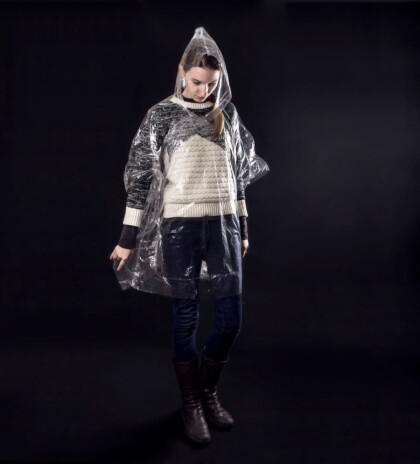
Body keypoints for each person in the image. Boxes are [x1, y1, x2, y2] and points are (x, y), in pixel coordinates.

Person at [109, 27, 269, 444]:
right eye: (197, 82)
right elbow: (141, 178)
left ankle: (208, 391)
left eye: (211, 84)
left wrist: (243, 227)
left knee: (230, 320)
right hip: (180, 227)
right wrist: (127, 238)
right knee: (186, 316)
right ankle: (191, 401)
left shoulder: (226, 114)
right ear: (182, 72)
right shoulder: (161, 115)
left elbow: (237, 176)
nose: (203, 91)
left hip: (224, 225)